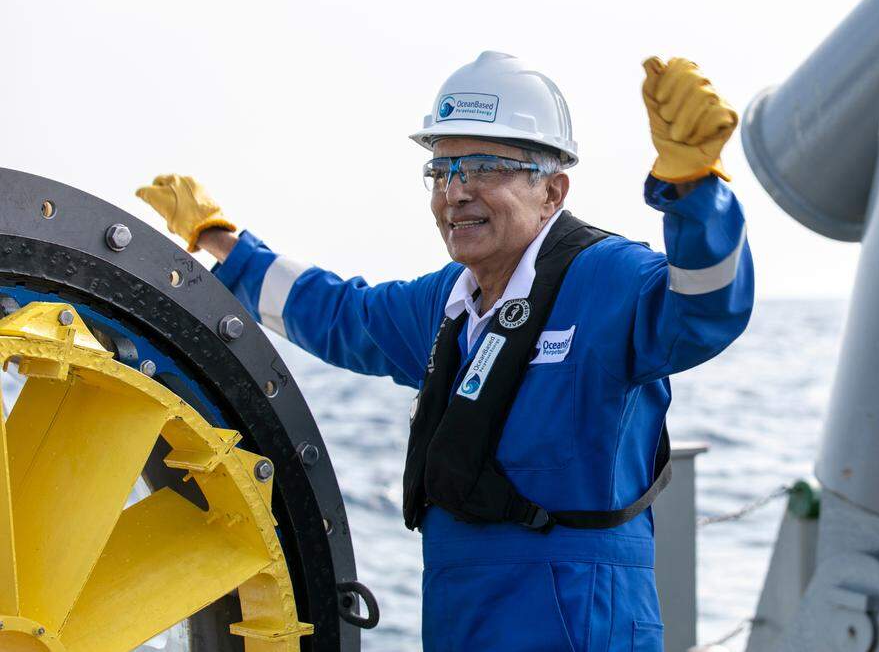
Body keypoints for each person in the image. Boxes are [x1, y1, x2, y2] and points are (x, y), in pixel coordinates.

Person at [137, 51, 754, 651]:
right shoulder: (446, 305)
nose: (455, 193)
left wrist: (695, 191)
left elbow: (705, 308)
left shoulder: (608, 281)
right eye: (443, 170)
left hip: (579, 626)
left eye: (484, 167)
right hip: (460, 619)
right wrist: (223, 242)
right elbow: (340, 314)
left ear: (553, 190)